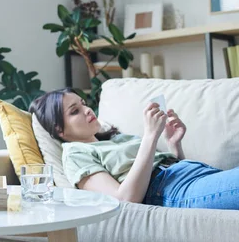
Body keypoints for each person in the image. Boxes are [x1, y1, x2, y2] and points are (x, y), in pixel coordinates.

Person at [30, 88, 239, 209]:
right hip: (173, 189)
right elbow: (123, 199)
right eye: (75, 111)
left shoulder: (117, 139)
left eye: (83, 103)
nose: (87, 110)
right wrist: (150, 136)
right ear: (59, 129)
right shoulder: (75, 154)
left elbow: (162, 168)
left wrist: (175, 147)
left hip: (193, 173)